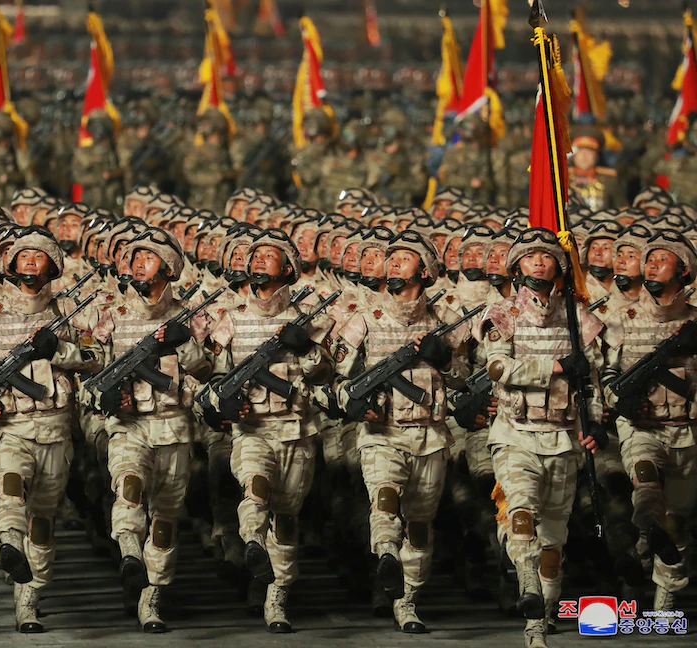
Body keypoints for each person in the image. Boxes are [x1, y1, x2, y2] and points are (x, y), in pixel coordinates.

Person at [334, 230, 469, 633]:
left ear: (425, 271)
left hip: (430, 435)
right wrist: (350, 402)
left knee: (421, 525)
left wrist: (444, 360)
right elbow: (334, 376)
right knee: (385, 500)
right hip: (382, 434)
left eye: (404, 258)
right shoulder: (365, 317)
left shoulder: (445, 320)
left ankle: (407, 599)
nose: (393, 263)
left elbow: (464, 378)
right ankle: (386, 553)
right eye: (391, 258)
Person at [0, 228, 103, 633]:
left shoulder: (70, 311)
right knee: (10, 485)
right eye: (23, 254)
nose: (29, 260)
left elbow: (96, 358)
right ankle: (9, 540)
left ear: (53, 266)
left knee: (43, 518)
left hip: (54, 427)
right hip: (9, 426)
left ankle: (30, 597)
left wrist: (58, 350)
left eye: (39, 255)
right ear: (11, 263)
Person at [201, 229, 334, 632]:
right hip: (252, 428)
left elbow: (325, 372)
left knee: (287, 517)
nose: (258, 259)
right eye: (254, 255)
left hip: (297, 429)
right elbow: (214, 373)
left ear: (288, 268)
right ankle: (253, 541)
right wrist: (220, 404)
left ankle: (276, 594)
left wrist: (305, 348)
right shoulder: (231, 317)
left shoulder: (308, 316)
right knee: (255, 487)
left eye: (269, 255)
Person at [480, 228, 605, 648]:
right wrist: (555, 367)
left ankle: (545, 612)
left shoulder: (577, 316)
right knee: (521, 513)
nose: (538, 261)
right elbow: (499, 369)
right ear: (516, 266)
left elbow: (593, 381)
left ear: (559, 266)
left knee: (553, 539)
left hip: (563, 437)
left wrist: (595, 424)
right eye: (530, 256)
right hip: (516, 435)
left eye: (547, 256)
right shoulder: (502, 313)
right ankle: (528, 592)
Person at [91, 228, 211, 631]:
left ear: (169, 267)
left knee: (165, 519)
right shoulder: (111, 311)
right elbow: (90, 365)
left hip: (174, 427)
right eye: (135, 257)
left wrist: (183, 342)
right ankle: (129, 551)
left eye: (149, 257)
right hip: (129, 425)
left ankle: (151, 597)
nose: (138, 264)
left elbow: (205, 369)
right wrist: (102, 398)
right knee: (128, 485)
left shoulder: (189, 314)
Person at [601, 230, 697, 613]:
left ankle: (662, 599)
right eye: (650, 260)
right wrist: (618, 400)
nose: (653, 266)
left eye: (663, 260)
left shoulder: (694, 321)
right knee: (645, 480)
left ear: (684, 270)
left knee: (675, 523)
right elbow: (603, 375)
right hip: (641, 427)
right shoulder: (620, 319)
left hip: (687, 430)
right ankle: (648, 537)